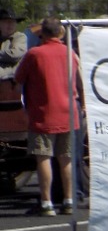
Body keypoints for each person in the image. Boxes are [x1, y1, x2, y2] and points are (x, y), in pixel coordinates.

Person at [14, 17, 81, 216]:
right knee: (66, 159)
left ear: (42, 33)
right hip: (68, 113)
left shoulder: (34, 54)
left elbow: (18, 79)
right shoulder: (70, 53)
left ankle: (46, 202)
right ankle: (69, 201)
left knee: (43, 158)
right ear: (60, 33)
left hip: (43, 114)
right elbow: (79, 81)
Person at [0, 9, 26, 82]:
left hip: (11, 80)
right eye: (6, 22)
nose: (10, 25)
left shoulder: (20, 37)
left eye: (13, 22)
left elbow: (15, 54)